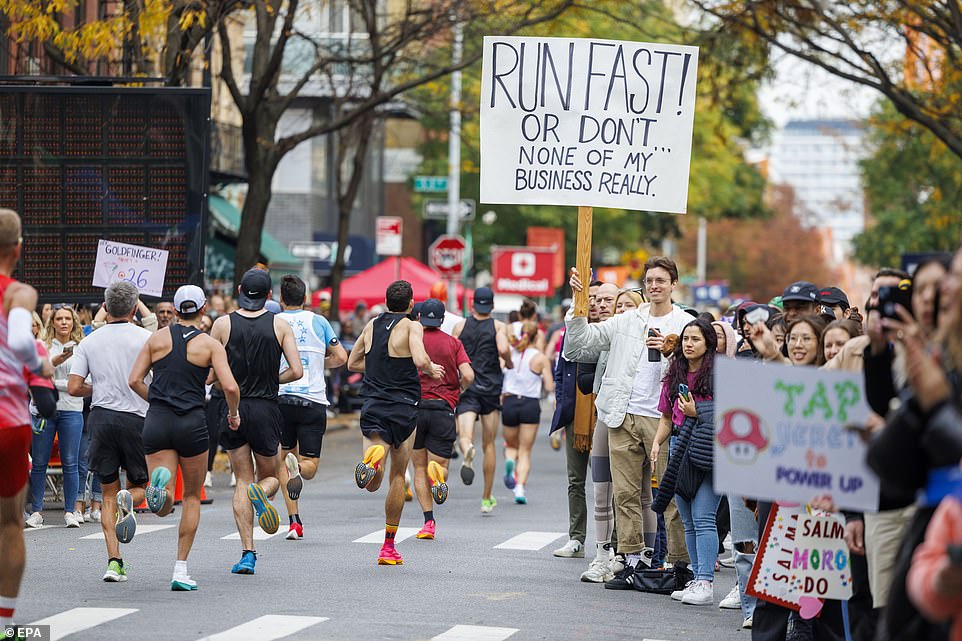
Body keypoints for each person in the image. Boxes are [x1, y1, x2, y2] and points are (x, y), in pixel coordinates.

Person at [564, 257, 692, 590]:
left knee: (669, 495)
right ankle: (632, 561)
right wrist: (578, 306)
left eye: (661, 280)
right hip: (621, 415)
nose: (654, 286)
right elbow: (580, 344)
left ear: (673, 284)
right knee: (625, 495)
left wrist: (672, 350)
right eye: (649, 280)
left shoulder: (684, 323)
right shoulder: (627, 320)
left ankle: (680, 565)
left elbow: (699, 366)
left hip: (663, 419)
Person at [127, 285, 241, 590]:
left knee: (162, 505)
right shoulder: (210, 345)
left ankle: (159, 485)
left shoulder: (157, 339)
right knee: (191, 496)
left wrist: (157, 399)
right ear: (203, 310)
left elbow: (133, 380)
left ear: (175, 311)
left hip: (158, 419)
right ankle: (180, 569)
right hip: (192, 421)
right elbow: (230, 387)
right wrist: (233, 413)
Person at [210, 268, 303, 575]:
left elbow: (210, 373)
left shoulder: (222, 325)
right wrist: (273, 380)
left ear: (239, 290)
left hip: (231, 406)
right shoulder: (279, 325)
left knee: (242, 479)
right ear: (269, 295)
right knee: (274, 476)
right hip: (265, 406)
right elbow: (297, 371)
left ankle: (248, 552)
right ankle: (262, 492)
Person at [348, 280, 443, 565]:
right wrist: (430, 367)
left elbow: (352, 363)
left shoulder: (371, 325)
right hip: (404, 408)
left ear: (386, 302)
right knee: (398, 477)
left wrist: (377, 365)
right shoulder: (412, 326)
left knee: (373, 484)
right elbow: (418, 356)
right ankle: (388, 547)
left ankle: (373, 459)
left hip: (374, 404)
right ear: (412, 304)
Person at [67, 281, 152, 582]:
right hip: (136, 417)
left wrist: (99, 387)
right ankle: (128, 499)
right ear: (133, 307)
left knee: (106, 492)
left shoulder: (89, 341)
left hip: (101, 418)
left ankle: (114, 562)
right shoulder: (146, 338)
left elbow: (75, 387)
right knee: (141, 484)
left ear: (105, 306)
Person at [0, 209, 53, 630]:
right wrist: (43, 364)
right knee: (11, 522)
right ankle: (5, 623)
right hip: (8, 421)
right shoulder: (18, 293)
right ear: (18, 249)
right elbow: (20, 339)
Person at [274, 275, 347, 540]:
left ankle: (294, 522)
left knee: (284, 460)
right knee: (310, 466)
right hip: (312, 400)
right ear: (305, 299)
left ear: (280, 299)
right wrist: (318, 364)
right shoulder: (320, 321)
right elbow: (341, 357)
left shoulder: (275, 322)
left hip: (281, 398)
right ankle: (299, 470)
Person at [652, 320, 719, 605]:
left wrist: (697, 411)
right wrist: (657, 443)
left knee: (704, 518)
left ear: (709, 344)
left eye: (696, 339)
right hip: (679, 446)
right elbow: (667, 417)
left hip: (709, 450)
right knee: (688, 520)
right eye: (686, 339)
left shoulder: (720, 374)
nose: (689, 344)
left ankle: (706, 581)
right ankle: (697, 577)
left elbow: (731, 413)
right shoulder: (674, 373)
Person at [412, 298, 473, 540]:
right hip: (443, 409)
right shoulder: (453, 343)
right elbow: (468, 374)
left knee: (418, 467)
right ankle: (437, 473)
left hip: (416, 409)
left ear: (419, 318)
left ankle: (428, 522)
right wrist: (458, 388)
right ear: (442, 320)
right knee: (440, 467)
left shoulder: (413, 341)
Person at [550, 281, 602, 559]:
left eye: (598, 298)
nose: (593, 303)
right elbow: (561, 371)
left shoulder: (613, 328)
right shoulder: (571, 331)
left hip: (606, 414)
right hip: (576, 414)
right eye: (589, 297)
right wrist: (562, 402)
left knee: (609, 483)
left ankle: (613, 543)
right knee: (575, 479)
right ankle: (576, 538)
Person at [453, 287, 513, 514]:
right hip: (490, 390)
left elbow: (452, 352)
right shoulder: (498, 327)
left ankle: (467, 450)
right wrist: (508, 361)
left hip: (467, 388)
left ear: (472, 304)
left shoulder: (460, 327)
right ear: (492, 306)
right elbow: (503, 348)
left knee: (465, 435)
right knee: (489, 445)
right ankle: (486, 498)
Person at [25, 305, 85, 528]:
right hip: (43, 410)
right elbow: (36, 375)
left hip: (72, 409)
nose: (63, 322)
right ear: (51, 322)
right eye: (58, 318)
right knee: (39, 463)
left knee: (71, 462)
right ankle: (37, 511)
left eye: (67, 318)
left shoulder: (82, 347)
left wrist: (55, 383)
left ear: (73, 322)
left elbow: (80, 382)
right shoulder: (42, 346)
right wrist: (62, 374)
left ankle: (70, 511)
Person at [501, 320, 554, 504]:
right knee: (525, 451)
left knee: (511, 445)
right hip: (530, 404)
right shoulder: (540, 358)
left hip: (509, 402)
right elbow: (549, 385)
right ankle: (520, 488)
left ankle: (509, 462)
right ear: (536, 336)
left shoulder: (510, 353)